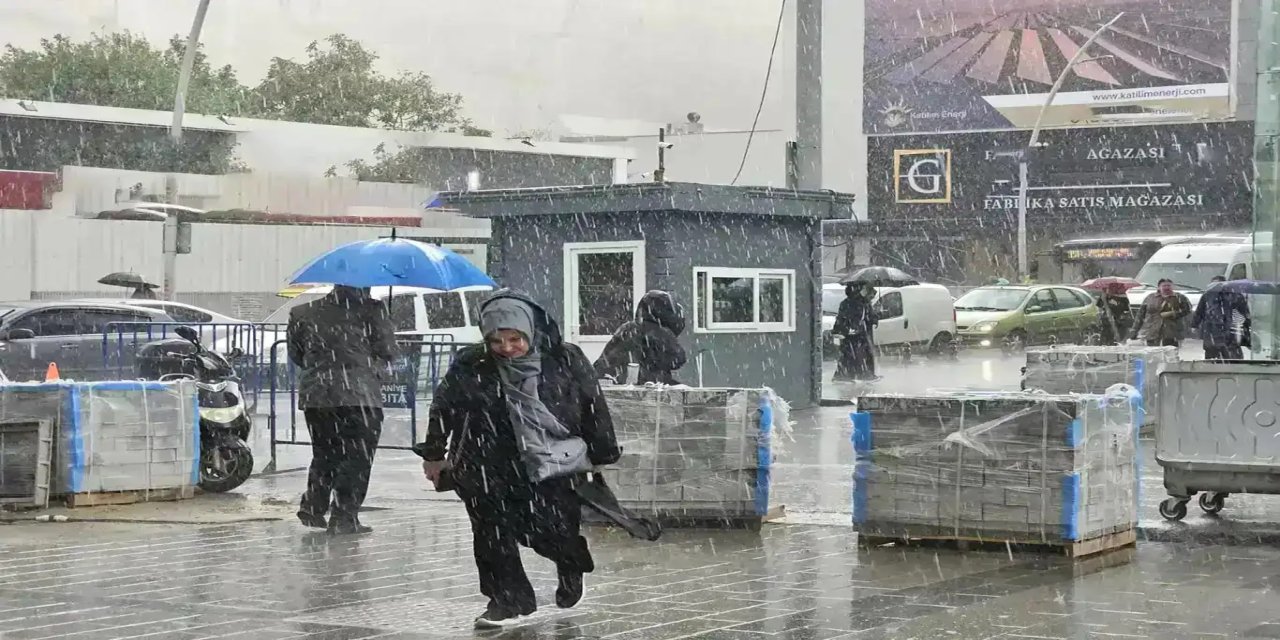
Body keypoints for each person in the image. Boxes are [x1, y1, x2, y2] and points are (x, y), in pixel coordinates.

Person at [417, 290, 621, 628]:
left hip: (549, 463)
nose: (507, 348)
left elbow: (593, 406)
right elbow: (444, 406)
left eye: (515, 339)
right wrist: (434, 454)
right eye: (497, 340)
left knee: (547, 529)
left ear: (530, 330)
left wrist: (602, 453)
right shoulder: (472, 363)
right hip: (484, 461)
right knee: (491, 533)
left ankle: (569, 560)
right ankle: (505, 599)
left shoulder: (564, 359)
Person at [288, 285, 397, 535]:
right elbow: (388, 350)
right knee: (357, 458)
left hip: (317, 394)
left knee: (324, 452)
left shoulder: (303, 311)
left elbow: (297, 353)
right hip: (360, 395)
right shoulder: (373, 310)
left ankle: (314, 505)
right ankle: (344, 516)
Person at [593, 290, 687, 385]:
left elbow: (606, 358)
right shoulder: (660, 332)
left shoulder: (627, 328)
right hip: (645, 383)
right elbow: (678, 358)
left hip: (615, 379)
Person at [1193, 275, 1251, 360]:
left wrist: (1247, 327)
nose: (1215, 287)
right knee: (1212, 357)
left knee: (1232, 356)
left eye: (1218, 284)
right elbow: (1200, 311)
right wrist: (1194, 325)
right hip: (1212, 331)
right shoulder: (1207, 296)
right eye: (1213, 285)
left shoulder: (1235, 296)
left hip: (1230, 333)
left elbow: (1244, 313)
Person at [833, 283, 878, 381]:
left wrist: (874, 319)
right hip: (854, 337)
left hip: (859, 336)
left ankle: (858, 374)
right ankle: (856, 375)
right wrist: (848, 329)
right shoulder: (852, 303)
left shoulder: (864, 303)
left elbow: (870, 317)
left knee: (858, 355)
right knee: (855, 356)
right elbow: (844, 318)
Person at [1130, 278, 1192, 347]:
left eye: (1169, 286)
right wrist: (1134, 330)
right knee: (1153, 354)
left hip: (1172, 332)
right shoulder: (1150, 298)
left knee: (1170, 355)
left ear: (1172, 287)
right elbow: (1140, 315)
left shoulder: (1179, 297)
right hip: (1152, 332)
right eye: (1164, 286)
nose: (1166, 288)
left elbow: (1188, 310)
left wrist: (1174, 314)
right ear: (1159, 287)